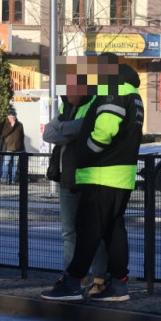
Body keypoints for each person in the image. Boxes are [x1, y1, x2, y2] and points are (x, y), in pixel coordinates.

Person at [42, 55, 143, 302]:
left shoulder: (114, 90)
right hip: (121, 175)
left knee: (87, 232)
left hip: (101, 174)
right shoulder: (133, 93)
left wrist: (87, 151)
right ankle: (118, 285)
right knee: (113, 231)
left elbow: (106, 128)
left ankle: (73, 283)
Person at [43, 57, 105, 292]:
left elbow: (79, 129)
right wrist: (65, 129)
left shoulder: (93, 104)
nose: (68, 91)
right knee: (69, 232)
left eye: (73, 86)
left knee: (93, 233)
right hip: (66, 178)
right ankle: (72, 278)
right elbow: (49, 134)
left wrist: (63, 129)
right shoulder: (65, 106)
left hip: (89, 178)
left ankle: (99, 278)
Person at [0, 109, 26, 183]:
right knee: (6, 163)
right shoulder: (5, 124)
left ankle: (13, 179)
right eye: (11, 117)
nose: (12, 118)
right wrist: (11, 126)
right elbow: (3, 134)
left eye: (13, 117)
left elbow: (22, 137)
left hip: (17, 148)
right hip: (8, 148)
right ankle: (4, 179)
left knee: (15, 165)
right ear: (8, 117)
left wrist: (22, 148)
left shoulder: (20, 125)